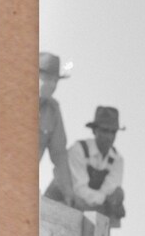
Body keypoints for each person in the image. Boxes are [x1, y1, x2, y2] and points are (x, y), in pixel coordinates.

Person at [67, 106, 127, 226]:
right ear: (95, 130)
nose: (109, 137)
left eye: (113, 132)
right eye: (105, 130)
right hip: (65, 202)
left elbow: (110, 190)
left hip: (90, 206)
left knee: (117, 197)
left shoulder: (117, 160)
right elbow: (79, 189)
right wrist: (106, 200)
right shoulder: (79, 150)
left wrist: (113, 201)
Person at [39, 52, 75, 206]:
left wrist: (68, 193)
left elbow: (59, 154)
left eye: (55, 81)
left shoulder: (53, 111)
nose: (53, 85)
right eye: (48, 79)